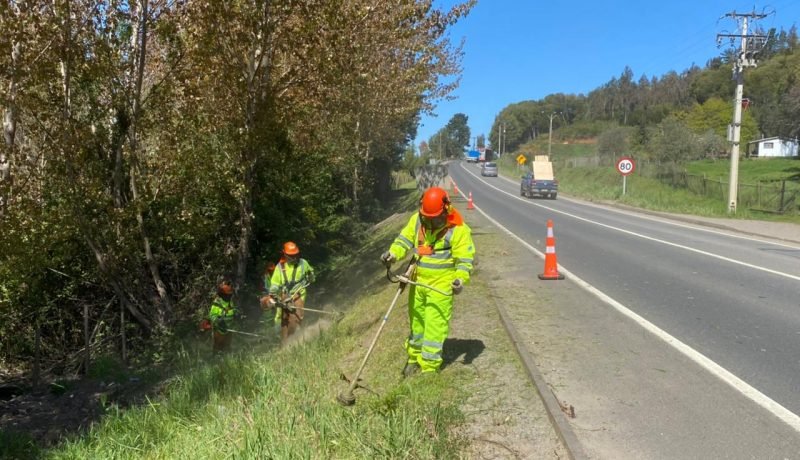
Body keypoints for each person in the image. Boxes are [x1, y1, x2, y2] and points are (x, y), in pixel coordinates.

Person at [381, 186, 475, 376]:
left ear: (446, 211)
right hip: (418, 282)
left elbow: (465, 260)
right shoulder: (418, 220)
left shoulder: (458, 230)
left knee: (434, 326)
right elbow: (404, 240)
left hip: (441, 287)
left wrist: (459, 279)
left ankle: (429, 369)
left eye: (435, 218)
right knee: (417, 323)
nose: (431, 222)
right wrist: (392, 255)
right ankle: (414, 358)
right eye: (428, 218)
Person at [266, 242, 315, 344]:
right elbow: (274, 284)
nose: (295, 257)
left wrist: (311, 277)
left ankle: (296, 341)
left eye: (296, 255)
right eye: (292, 255)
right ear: (285, 254)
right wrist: (274, 294)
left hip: (299, 293)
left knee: (297, 316)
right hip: (285, 295)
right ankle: (284, 342)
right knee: (284, 320)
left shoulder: (303, 263)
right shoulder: (280, 267)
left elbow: (311, 274)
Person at [208, 279, 238, 353]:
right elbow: (212, 315)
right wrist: (219, 322)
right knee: (218, 347)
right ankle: (215, 360)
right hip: (219, 330)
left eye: (230, 294)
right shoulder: (217, 302)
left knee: (228, 347)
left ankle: (227, 360)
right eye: (228, 294)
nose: (229, 296)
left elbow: (232, 310)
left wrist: (237, 314)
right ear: (222, 294)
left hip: (229, 329)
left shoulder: (230, 302)